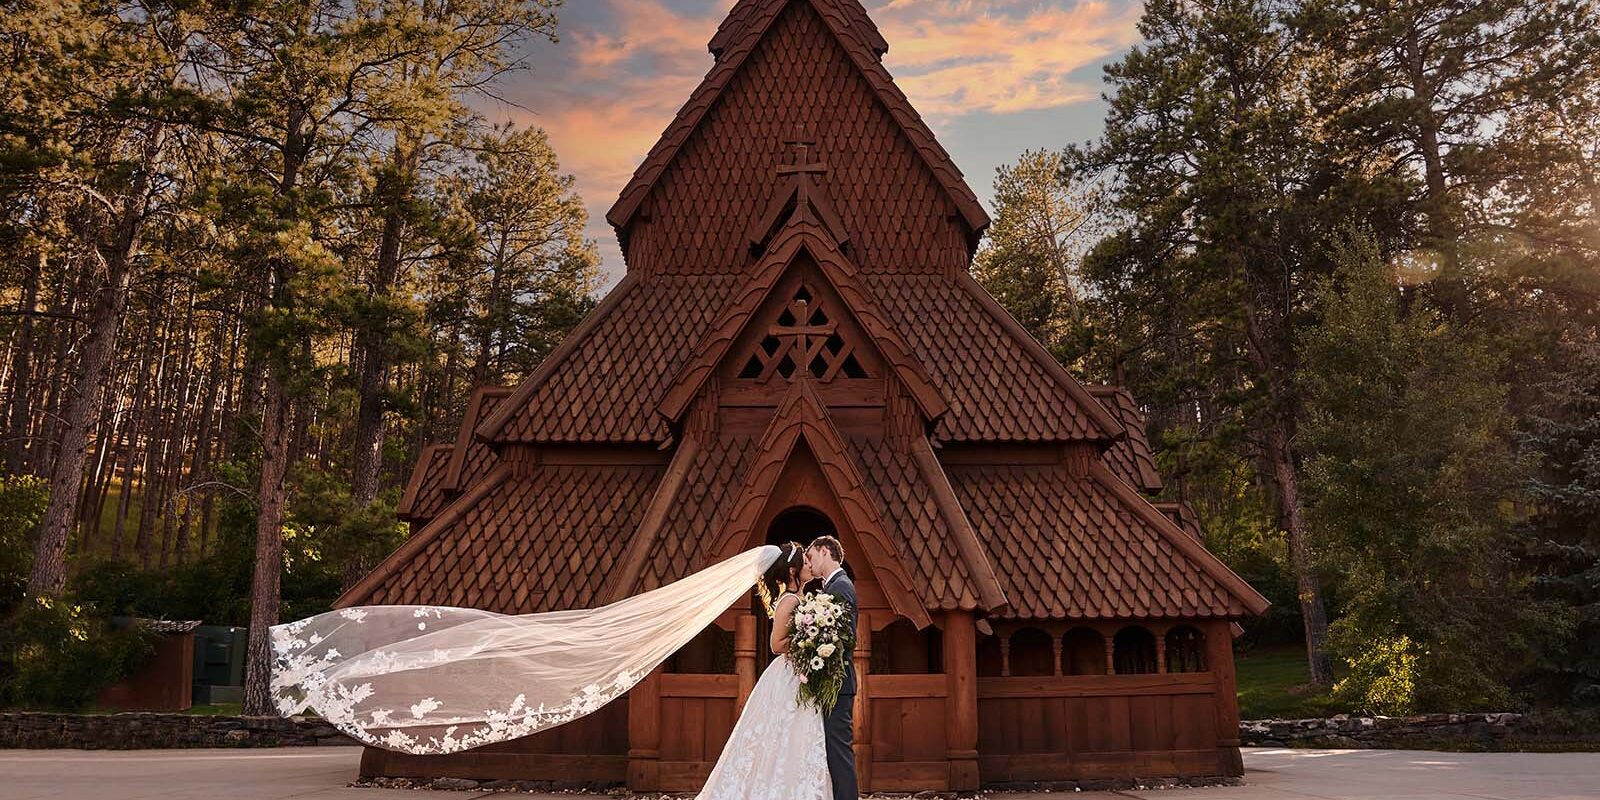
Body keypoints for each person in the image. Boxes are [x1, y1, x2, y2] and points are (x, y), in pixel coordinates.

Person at [695, 541, 830, 799]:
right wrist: (811, 642)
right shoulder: (789, 600)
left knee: (796, 737)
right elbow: (776, 644)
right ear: (793, 571)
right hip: (788, 677)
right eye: (806, 562)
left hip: (799, 674)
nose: (810, 565)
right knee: (782, 735)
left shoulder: (799, 598)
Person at [804, 535, 858, 800]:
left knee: (839, 751)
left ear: (825, 552)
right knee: (832, 750)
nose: (809, 564)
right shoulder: (831, 587)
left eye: (811, 557)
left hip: (839, 683)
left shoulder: (841, 586)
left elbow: (846, 638)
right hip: (831, 683)